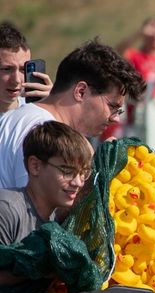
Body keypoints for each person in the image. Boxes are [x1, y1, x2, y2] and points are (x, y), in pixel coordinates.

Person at [0, 40, 144, 190]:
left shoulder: (22, 118)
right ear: (80, 91)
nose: (116, 118)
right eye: (112, 106)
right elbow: (37, 209)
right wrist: (99, 174)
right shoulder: (41, 129)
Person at [0, 121, 93, 248]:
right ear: (35, 166)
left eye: (83, 173)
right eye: (67, 171)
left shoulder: (58, 219)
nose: (77, 183)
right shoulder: (7, 210)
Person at [0, 22, 52, 113]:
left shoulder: (36, 111)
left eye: (23, 69)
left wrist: (54, 107)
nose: (16, 80)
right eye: (7, 69)